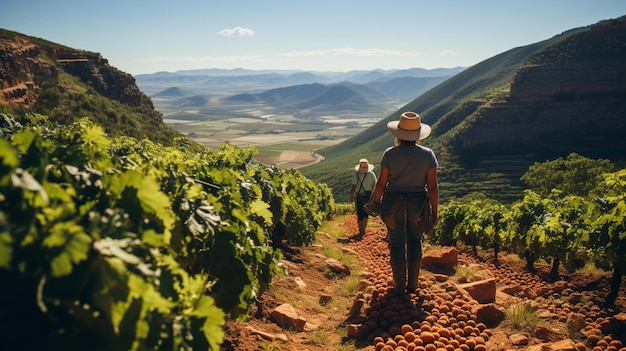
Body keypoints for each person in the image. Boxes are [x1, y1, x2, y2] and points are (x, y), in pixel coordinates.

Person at [371, 111, 439, 294]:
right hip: (418, 204)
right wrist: (435, 212)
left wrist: (376, 203)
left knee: (397, 242)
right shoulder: (428, 155)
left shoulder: (389, 154)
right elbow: (432, 187)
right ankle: (413, 285)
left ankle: (399, 286)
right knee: (415, 241)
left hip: (393, 203)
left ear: (398, 134)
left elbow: (381, 183)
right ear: (417, 135)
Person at [350, 159, 377, 238]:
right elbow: (374, 186)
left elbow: (353, 187)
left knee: (360, 213)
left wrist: (351, 196)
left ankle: (361, 231)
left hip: (359, 196)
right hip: (368, 196)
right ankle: (364, 230)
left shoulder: (357, 175)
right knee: (366, 213)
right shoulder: (372, 174)